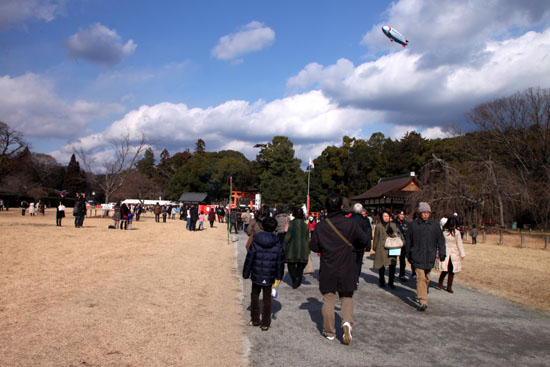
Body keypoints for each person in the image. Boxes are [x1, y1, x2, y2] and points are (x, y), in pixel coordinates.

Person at [309, 193, 369, 344]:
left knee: (328, 299)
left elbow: (314, 246)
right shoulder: (350, 223)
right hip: (347, 265)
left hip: (329, 265)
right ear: (342, 207)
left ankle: (330, 332)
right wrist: (353, 246)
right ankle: (347, 322)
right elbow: (364, 239)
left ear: (327, 208)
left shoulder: (321, 225)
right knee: (347, 297)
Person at [242, 217, 284, 331]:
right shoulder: (277, 242)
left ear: (263, 227)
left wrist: (246, 273)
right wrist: (279, 275)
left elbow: (249, 257)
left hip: (256, 272)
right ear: (275, 228)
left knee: (254, 295)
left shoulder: (256, 239)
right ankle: (265, 322)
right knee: (267, 298)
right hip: (269, 273)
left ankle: (255, 319)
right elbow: (280, 260)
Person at [406, 202, 446, 311]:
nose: (425, 215)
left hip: (430, 255)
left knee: (427, 278)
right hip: (417, 255)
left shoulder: (435, 226)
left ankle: (423, 293)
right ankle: (422, 300)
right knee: (420, 278)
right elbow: (408, 240)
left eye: (427, 213)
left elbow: (441, 241)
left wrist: (442, 252)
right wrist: (408, 253)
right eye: (423, 213)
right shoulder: (413, 225)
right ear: (419, 213)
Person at [282, 207, 310, 289]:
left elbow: (287, 237)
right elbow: (307, 239)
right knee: (300, 267)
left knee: (291, 265)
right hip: (303, 248)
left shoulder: (292, 225)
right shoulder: (306, 226)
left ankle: (295, 279)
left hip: (292, 248)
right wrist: (308, 249)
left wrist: (283, 246)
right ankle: (298, 280)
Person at [436, 217, 466, 293]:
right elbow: (439, 243)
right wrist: (438, 253)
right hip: (445, 251)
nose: (453, 227)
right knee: (445, 269)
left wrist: (462, 253)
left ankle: (449, 286)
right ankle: (440, 281)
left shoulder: (457, 232)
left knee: (452, 270)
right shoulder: (444, 232)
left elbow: (459, 243)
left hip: (454, 252)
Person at [373, 210, 401, 289]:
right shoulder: (378, 226)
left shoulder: (393, 225)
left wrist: (392, 233)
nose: (386, 218)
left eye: (387, 216)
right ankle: (382, 281)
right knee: (381, 265)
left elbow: (396, 236)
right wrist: (374, 247)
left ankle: (391, 282)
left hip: (391, 247)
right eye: (384, 216)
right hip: (381, 247)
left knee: (392, 265)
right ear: (382, 217)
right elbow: (376, 237)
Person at [349, 204, 372, 284]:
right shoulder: (365, 220)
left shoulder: (350, 219)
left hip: (351, 244)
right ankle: (356, 278)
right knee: (359, 262)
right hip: (361, 244)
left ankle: (351, 277)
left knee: (351, 262)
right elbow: (368, 233)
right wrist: (368, 245)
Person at [394, 210, 411, 281]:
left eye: (403, 214)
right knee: (393, 259)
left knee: (402, 259)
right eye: (400, 214)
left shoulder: (407, 223)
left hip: (403, 244)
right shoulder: (394, 223)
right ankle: (392, 274)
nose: (402, 216)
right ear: (398, 214)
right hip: (395, 243)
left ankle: (402, 274)